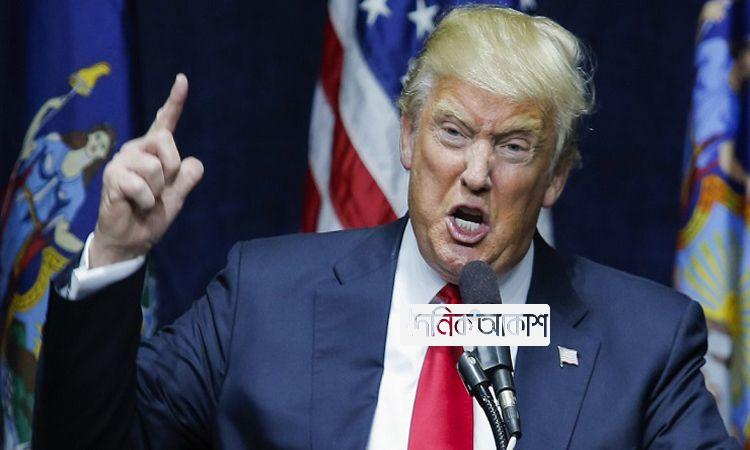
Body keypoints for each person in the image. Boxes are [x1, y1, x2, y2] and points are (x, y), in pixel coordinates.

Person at [33, 6, 738, 449]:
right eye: (452, 132)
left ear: (555, 176)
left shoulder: (644, 344)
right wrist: (117, 253)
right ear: (407, 138)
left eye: (513, 146)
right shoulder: (265, 299)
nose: (475, 173)